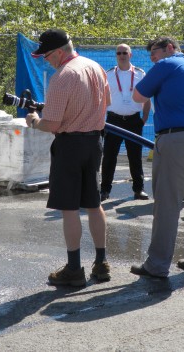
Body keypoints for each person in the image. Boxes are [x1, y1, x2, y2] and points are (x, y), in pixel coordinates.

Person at [25, 28, 111, 287]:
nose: (46, 60)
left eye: (47, 56)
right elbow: (106, 102)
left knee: (70, 208)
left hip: (70, 145)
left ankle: (74, 269)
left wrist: (34, 121)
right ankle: (101, 263)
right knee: (94, 204)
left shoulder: (62, 76)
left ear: (59, 52)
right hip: (94, 141)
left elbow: (52, 124)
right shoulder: (95, 67)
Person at [129, 36, 184, 277]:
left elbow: (138, 96)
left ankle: (157, 264)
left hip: (178, 139)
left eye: (155, 52)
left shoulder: (167, 65)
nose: (153, 58)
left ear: (169, 48)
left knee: (167, 203)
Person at [101, 44, 151, 201]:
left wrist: (144, 118)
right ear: (116, 55)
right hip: (113, 120)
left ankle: (139, 189)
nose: (121, 55)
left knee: (135, 156)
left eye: (125, 53)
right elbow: (102, 98)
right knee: (109, 157)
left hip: (134, 120)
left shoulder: (140, 74)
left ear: (131, 55)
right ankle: (104, 190)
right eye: (119, 53)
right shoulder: (109, 74)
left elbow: (147, 97)